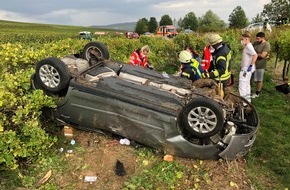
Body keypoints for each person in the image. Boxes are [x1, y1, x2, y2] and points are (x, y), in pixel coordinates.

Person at [239, 32, 258, 103]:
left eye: (242, 39)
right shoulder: (248, 46)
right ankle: (247, 101)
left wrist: (250, 65)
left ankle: (244, 103)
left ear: (246, 39)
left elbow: (255, 55)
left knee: (242, 86)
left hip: (245, 70)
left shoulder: (249, 46)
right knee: (247, 85)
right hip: (246, 69)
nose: (241, 40)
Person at [252, 32, 271, 98]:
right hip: (253, 64)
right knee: (252, 78)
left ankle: (257, 93)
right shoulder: (256, 43)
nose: (257, 40)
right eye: (256, 38)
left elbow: (263, 55)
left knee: (259, 80)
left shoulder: (266, 44)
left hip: (260, 64)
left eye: (258, 38)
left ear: (263, 38)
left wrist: (255, 54)